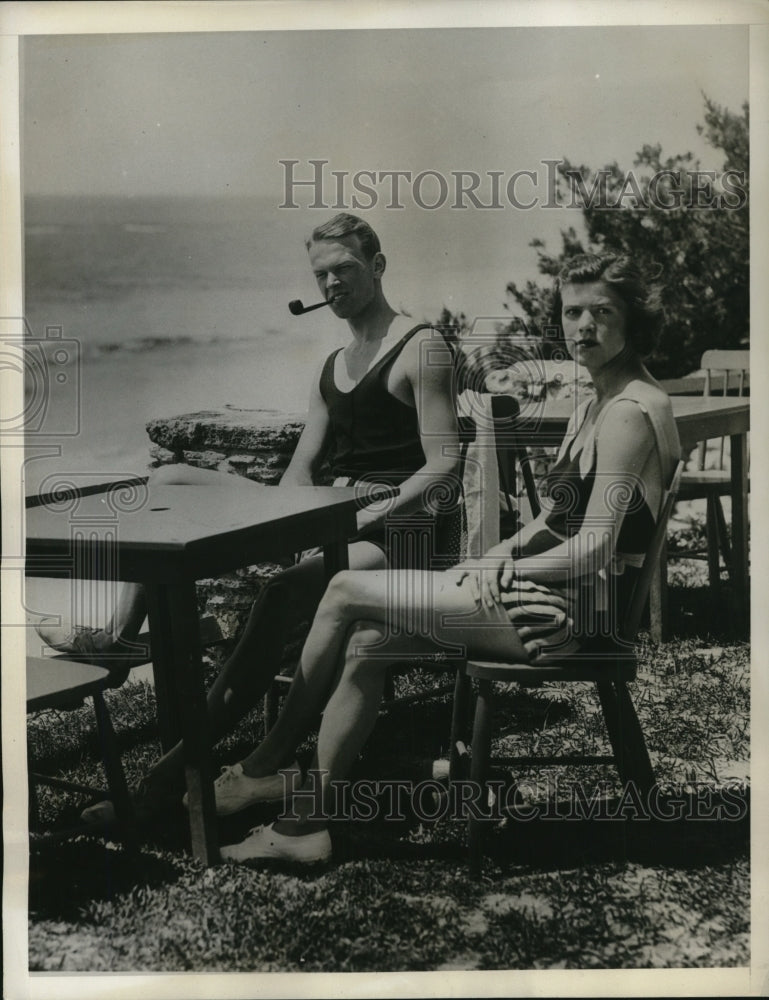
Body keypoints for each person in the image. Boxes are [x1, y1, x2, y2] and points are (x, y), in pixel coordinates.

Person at [215, 252, 682, 865]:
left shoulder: (626, 414)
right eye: (572, 313)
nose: (583, 327)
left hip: (567, 619)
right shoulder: (603, 400)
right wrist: (493, 556)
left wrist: (499, 569)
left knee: (344, 590)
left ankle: (265, 766)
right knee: (369, 640)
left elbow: (593, 545)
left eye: (603, 313)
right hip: (553, 600)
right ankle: (307, 825)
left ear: (634, 320)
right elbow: (549, 524)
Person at [37, 212, 460, 821]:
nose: (332, 284)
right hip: (335, 516)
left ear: (378, 266)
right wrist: (278, 521)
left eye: (345, 269)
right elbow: (301, 471)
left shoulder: (421, 348)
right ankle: (122, 639)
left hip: (403, 533)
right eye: (321, 275)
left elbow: (445, 464)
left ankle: (187, 776)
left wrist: (365, 517)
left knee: (280, 596)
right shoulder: (332, 366)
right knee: (169, 480)